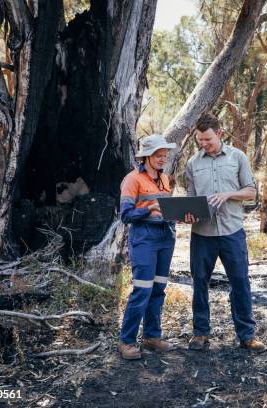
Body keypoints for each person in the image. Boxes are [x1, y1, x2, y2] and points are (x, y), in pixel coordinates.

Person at [184, 113, 265, 352]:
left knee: (240, 282)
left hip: (232, 231)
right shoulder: (192, 164)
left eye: (208, 139)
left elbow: (251, 192)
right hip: (202, 234)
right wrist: (188, 213)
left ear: (219, 133)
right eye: (200, 140)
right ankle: (200, 333)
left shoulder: (237, 157)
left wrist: (228, 195)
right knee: (199, 283)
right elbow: (190, 199)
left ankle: (247, 335)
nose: (204, 144)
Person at [117, 134, 178, 360]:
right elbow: (125, 215)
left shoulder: (165, 179)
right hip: (144, 237)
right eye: (158, 155)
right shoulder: (132, 180)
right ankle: (127, 341)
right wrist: (148, 209)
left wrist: (181, 215)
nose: (163, 159)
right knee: (142, 289)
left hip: (166, 236)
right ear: (146, 157)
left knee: (158, 289)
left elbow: (167, 209)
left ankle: (152, 337)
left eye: (165, 155)